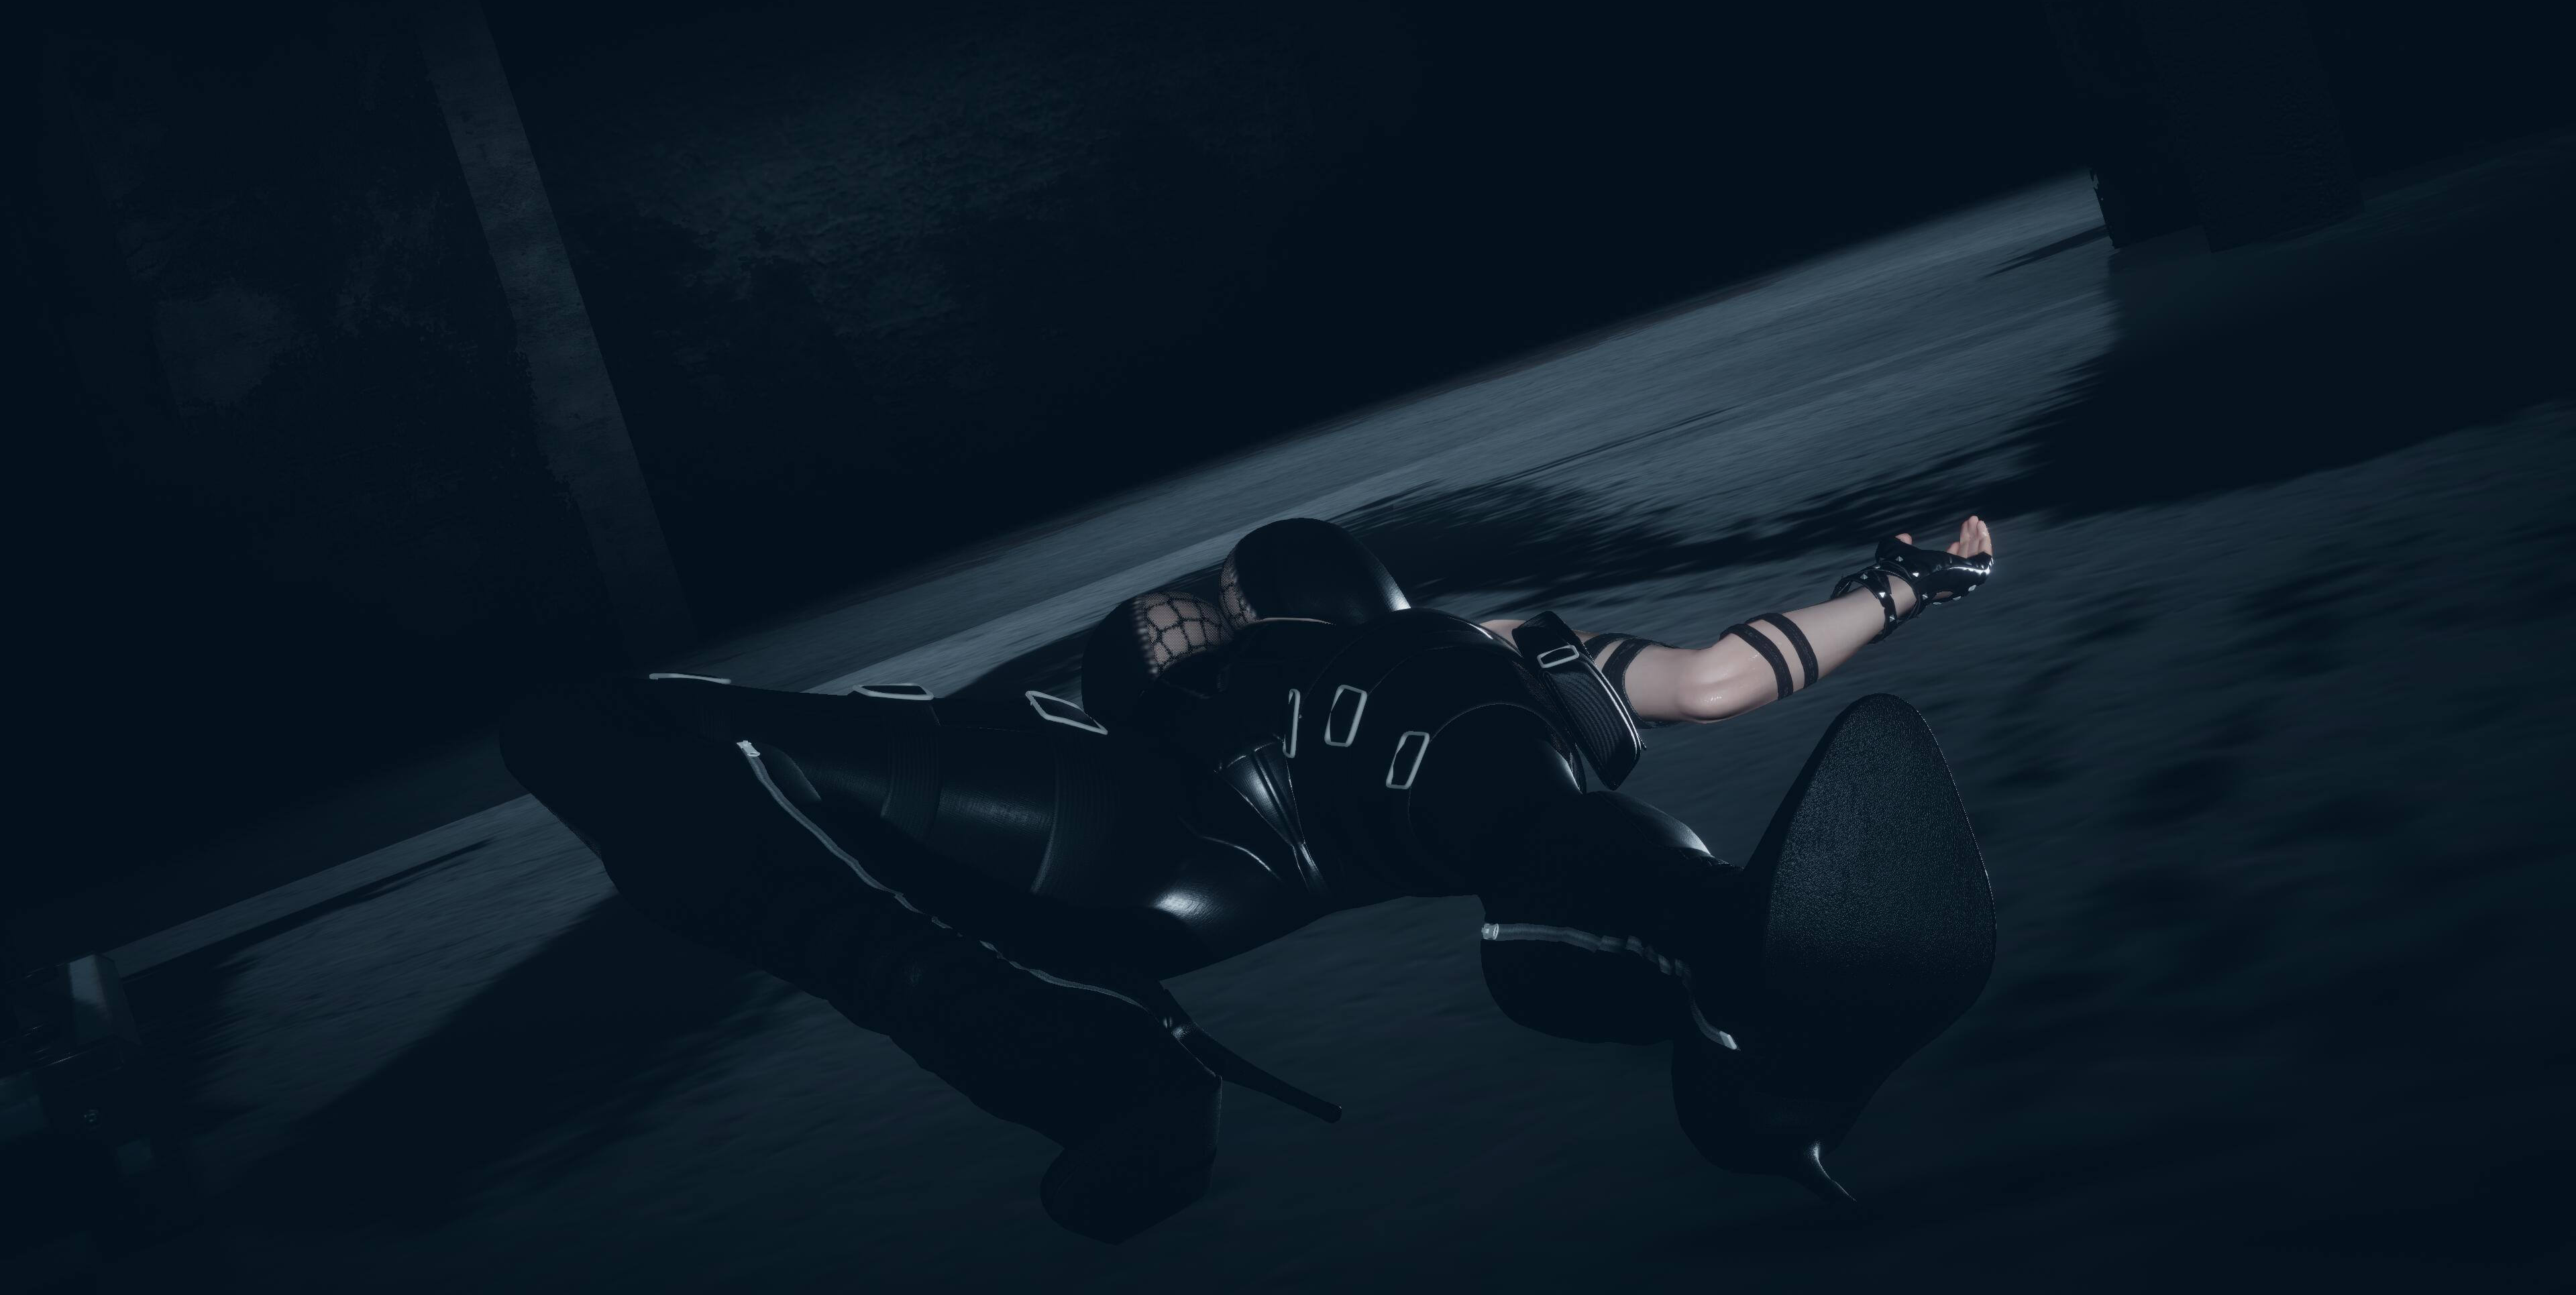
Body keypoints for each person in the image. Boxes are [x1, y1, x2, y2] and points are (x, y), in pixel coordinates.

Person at [501, 516, 1998, 1241]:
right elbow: (1720, 679)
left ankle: (1734, 978)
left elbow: (1723, 677)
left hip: (1335, 832)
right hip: (1171, 835)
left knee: (1532, 812)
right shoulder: (1145, 704)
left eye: (1226, 591)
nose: (1203, 604)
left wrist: (1903, 583)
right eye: (1207, 599)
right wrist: (1902, 585)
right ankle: (1058, 1050)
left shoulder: (1513, 653)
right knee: (597, 721)